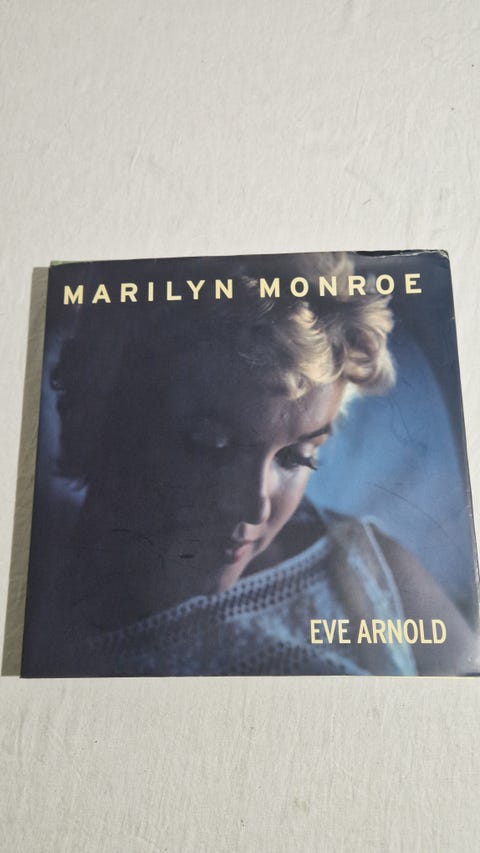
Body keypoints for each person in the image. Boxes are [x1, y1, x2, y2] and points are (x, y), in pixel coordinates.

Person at [42, 253, 478, 676]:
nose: (255, 508)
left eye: (295, 457)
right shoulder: (42, 620)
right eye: (211, 445)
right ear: (113, 414)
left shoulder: (363, 565)